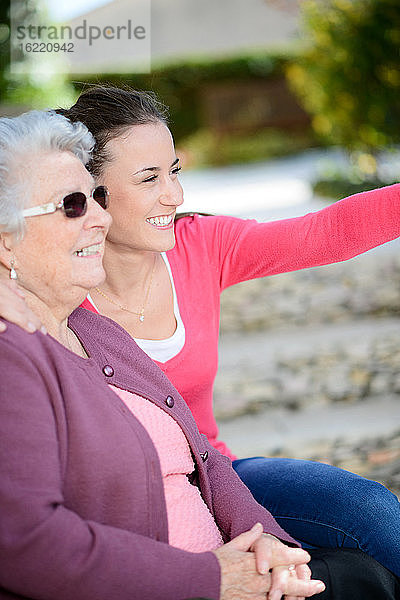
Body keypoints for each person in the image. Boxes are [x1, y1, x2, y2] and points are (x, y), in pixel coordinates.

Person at [1, 86, 400, 577]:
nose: (174, 195)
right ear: (91, 192)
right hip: (124, 496)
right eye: (148, 179)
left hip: (218, 476)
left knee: (370, 512)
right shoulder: (54, 279)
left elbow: (324, 232)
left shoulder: (200, 247)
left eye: (174, 172)